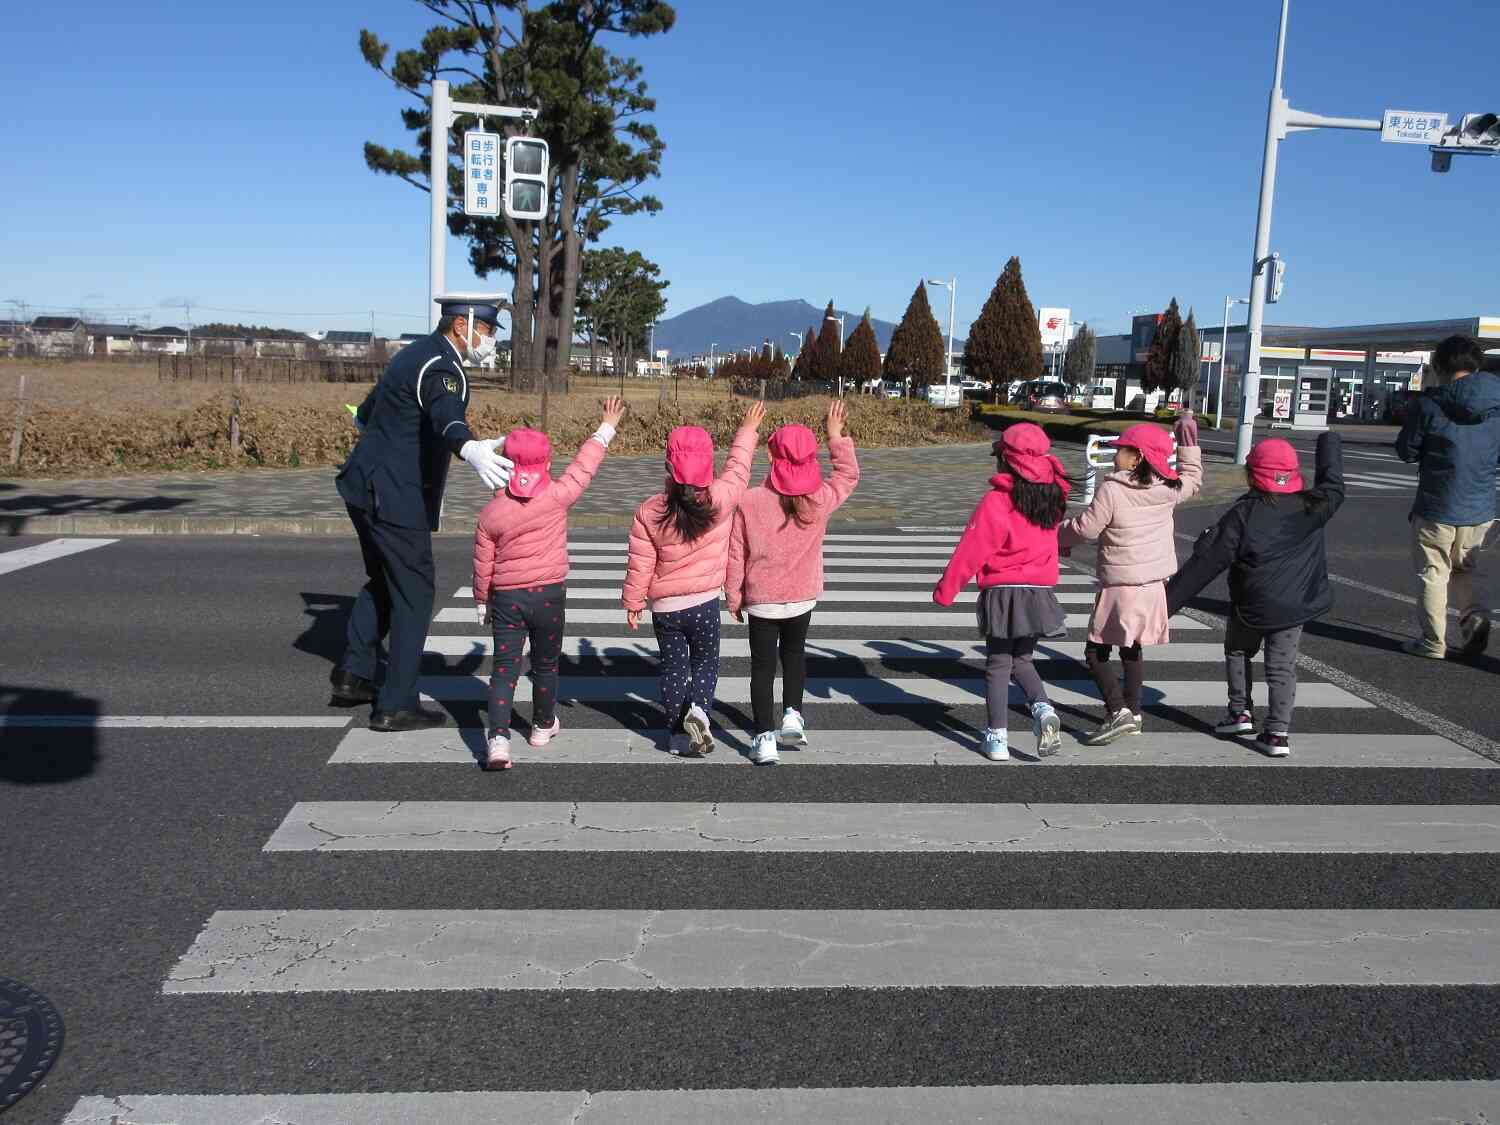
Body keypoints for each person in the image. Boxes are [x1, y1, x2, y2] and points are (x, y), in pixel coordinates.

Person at [331, 295, 514, 732]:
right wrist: (467, 446)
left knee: (384, 580)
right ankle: (395, 704)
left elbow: (366, 415)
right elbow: (445, 415)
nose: (489, 342)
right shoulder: (442, 368)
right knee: (415, 593)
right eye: (487, 332)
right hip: (395, 496)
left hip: (362, 485)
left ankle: (353, 675)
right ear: (460, 325)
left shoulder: (412, 353)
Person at [471, 396, 627, 770]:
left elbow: (483, 561)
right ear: (547, 463)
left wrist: (482, 600)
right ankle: (542, 725)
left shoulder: (492, 511)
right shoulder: (557, 496)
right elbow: (583, 468)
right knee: (546, 664)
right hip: (549, 595)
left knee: (504, 669)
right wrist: (606, 426)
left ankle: (498, 740)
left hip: (507, 598)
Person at [1165, 434, 1345, 757]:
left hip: (1251, 603)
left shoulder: (1243, 515)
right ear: (1293, 473)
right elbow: (1334, 485)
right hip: (1295, 607)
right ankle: (1277, 732)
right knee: (1281, 667)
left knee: (1237, 649)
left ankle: (1239, 712)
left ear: (1252, 475)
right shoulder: (1314, 504)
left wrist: (1164, 605)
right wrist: (1329, 442)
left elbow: (1205, 565)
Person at [623, 402, 766, 757]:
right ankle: (699, 709)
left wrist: (634, 601)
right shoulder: (719, 499)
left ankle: (675, 733)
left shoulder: (650, 511)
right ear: (708, 466)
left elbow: (641, 561)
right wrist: (747, 430)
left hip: (666, 609)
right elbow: (738, 471)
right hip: (703, 603)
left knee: (673, 669)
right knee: (705, 663)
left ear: (669, 467)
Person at [725, 401, 860, 765]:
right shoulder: (818, 500)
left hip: (762, 600)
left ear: (771, 456)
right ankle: (793, 714)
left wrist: (733, 595)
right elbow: (848, 477)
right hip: (802, 597)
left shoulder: (750, 502)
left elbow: (736, 553)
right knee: (795, 655)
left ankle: (764, 737)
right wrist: (837, 437)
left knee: (762, 668)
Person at [1058, 414, 1202, 745]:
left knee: (1095, 653)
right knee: (1132, 647)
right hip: (1153, 587)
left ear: (1137, 457)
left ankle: (1117, 710)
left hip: (1121, 586)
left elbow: (1086, 529)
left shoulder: (1113, 490)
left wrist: (1057, 536)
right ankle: (1134, 712)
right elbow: (1193, 478)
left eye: (1122, 449)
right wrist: (1189, 445)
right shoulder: (1169, 489)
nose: (1115, 454)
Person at [932, 423, 1070, 761]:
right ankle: (1041, 708)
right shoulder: (1053, 497)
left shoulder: (998, 500)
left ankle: (996, 737)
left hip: (1004, 591)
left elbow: (972, 548)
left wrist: (946, 590)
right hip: (1039, 591)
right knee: (1022, 659)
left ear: (1007, 460)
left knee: (997, 663)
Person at [1395, 335, 1500, 660]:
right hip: (1479, 506)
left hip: (1437, 504)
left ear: (1439, 366)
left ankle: (1433, 642)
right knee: (1467, 568)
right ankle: (1475, 616)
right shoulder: (1496, 404)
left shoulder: (1429, 404)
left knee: (1433, 573)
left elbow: (1407, 451)